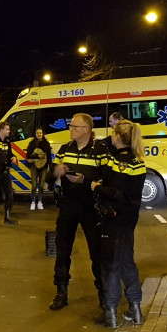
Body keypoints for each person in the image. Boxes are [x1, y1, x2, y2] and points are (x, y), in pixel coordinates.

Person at [48, 113, 111, 311]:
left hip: (91, 207)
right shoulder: (65, 149)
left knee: (96, 252)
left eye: (75, 127)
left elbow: (107, 177)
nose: (71, 129)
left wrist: (85, 179)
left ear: (87, 130)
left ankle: (103, 294)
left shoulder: (100, 150)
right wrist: (56, 172)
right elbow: (51, 176)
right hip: (68, 205)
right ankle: (61, 293)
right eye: (71, 126)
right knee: (62, 250)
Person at [90, 120, 146, 328]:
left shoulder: (118, 162)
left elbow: (116, 193)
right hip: (129, 219)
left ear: (119, 138)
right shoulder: (138, 161)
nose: (111, 136)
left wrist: (96, 187)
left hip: (113, 219)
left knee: (110, 265)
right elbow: (128, 189)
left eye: (113, 134)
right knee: (127, 262)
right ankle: (135, 309)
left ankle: (111, 313)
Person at [26, 127, 52, 210]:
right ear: (35, 134)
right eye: (37, 133)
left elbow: (49, 156)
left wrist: (50, 166)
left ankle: (40, 202)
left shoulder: (46, 144)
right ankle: (33, 202)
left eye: (40, 133)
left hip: (43, 167)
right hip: (33, 166)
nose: (39, 134)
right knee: (34, 186)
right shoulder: (32, 143)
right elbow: (28, 155)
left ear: (43, 134)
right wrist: (37, 156)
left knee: (41, 186)